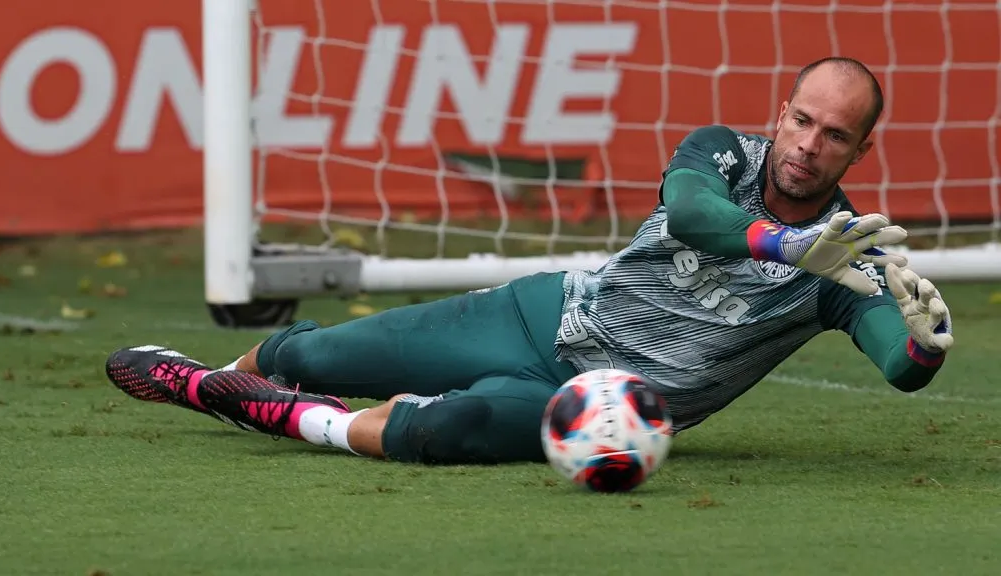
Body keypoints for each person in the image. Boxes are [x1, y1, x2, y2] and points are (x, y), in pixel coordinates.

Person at [104, 56, 954, 465]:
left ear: (860, 149)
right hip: (539, 317)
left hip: (593, 405)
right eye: (802, 120)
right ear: (783, 111)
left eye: (834, 135)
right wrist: (780, 242)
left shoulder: (848, 259)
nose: (808, 145)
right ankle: (215, 377)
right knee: (315, 354)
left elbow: (893, 354)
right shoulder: (722, 153)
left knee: (437, 432)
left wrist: (920, 346)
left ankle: (290, 417)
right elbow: (697, 218)